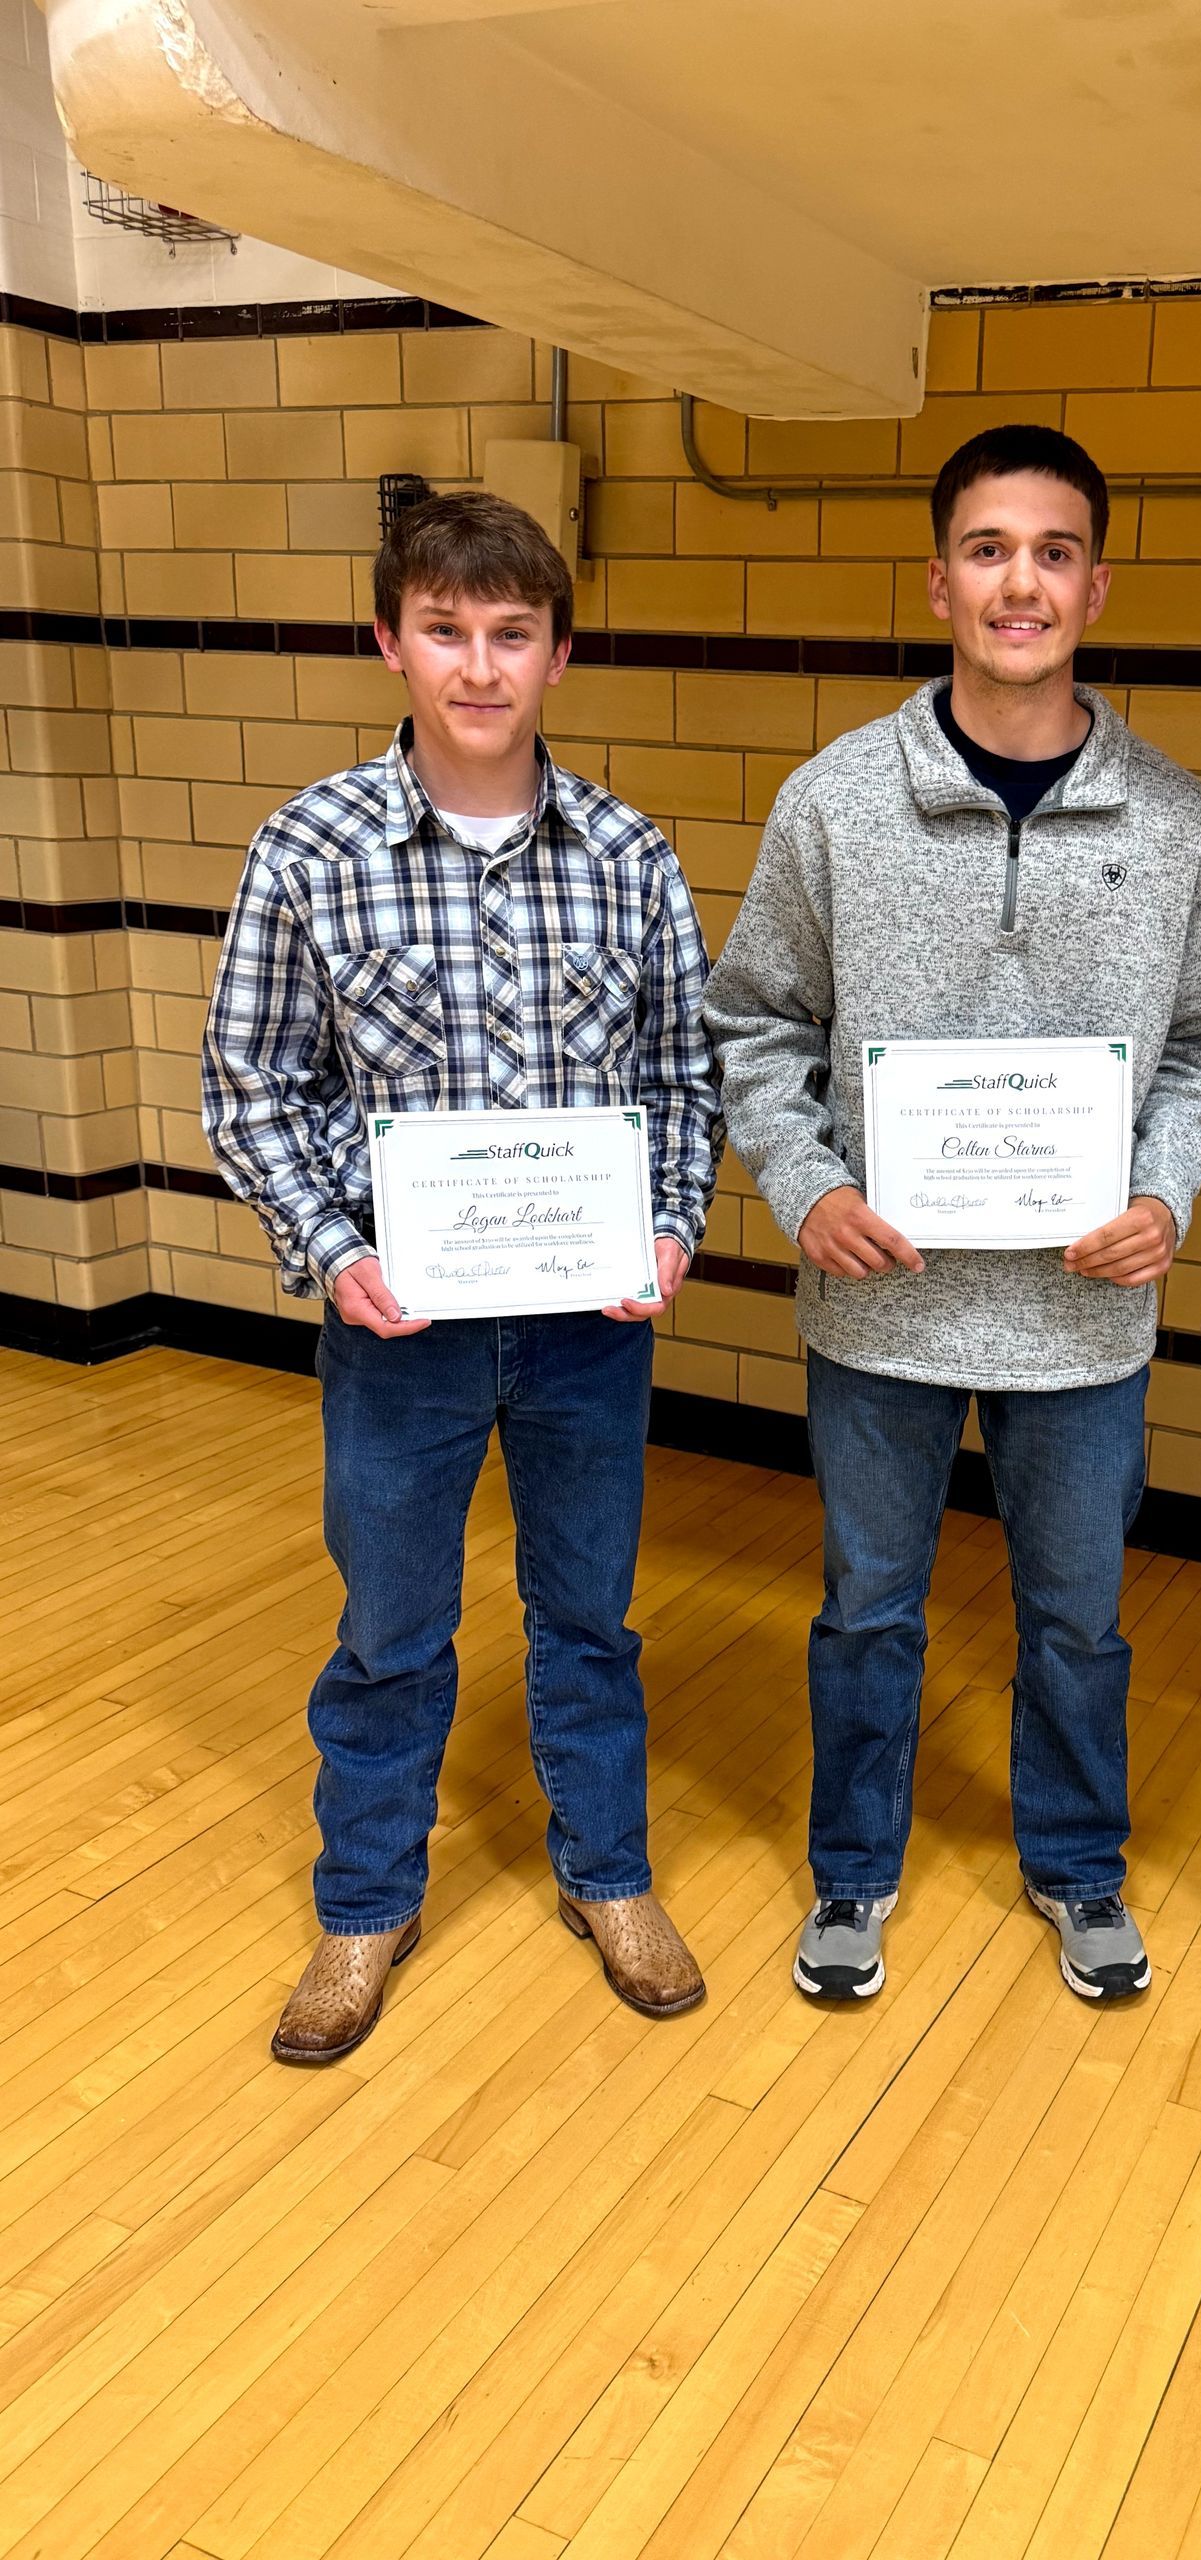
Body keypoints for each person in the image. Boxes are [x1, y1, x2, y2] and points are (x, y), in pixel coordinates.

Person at [704, 424, 1201, 2005]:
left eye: (1056, 551)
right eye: (992, 549)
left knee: (1078, 1620)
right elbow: (753, 1021)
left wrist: (1164, 1194)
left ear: (1097, 582)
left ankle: (1077, 1866)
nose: (1023, 581)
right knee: (868, 1609)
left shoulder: (1175, 819)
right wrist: (806, 1190)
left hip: (1082, 1316)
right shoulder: (836, 802)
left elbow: (1200, 1047)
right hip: (883, 1302)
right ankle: (853, 1874)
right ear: (939, 578)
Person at [202, 491, 720, 2065]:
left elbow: (687, 1077)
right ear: (391, 642)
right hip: (400, 1330)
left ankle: (609, 1878)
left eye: (511, 636)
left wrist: (674, 1225)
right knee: (390, 1626)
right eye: (446, 631)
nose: (478, 666)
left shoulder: (631, 856)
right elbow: (251, 1085)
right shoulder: (311, 846)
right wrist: (335, 1253)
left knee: (589, 1618)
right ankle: (364, 1904)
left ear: (562, 652)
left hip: (587, 1329)